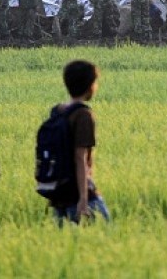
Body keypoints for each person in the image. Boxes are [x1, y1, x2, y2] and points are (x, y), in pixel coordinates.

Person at [49, 60, 110, 224]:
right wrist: (83, 200)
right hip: (80, 193)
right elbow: (80, 158)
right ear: (90, 85)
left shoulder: (57, 111)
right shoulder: (83, 115)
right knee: (106, 232)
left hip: (59, 192)